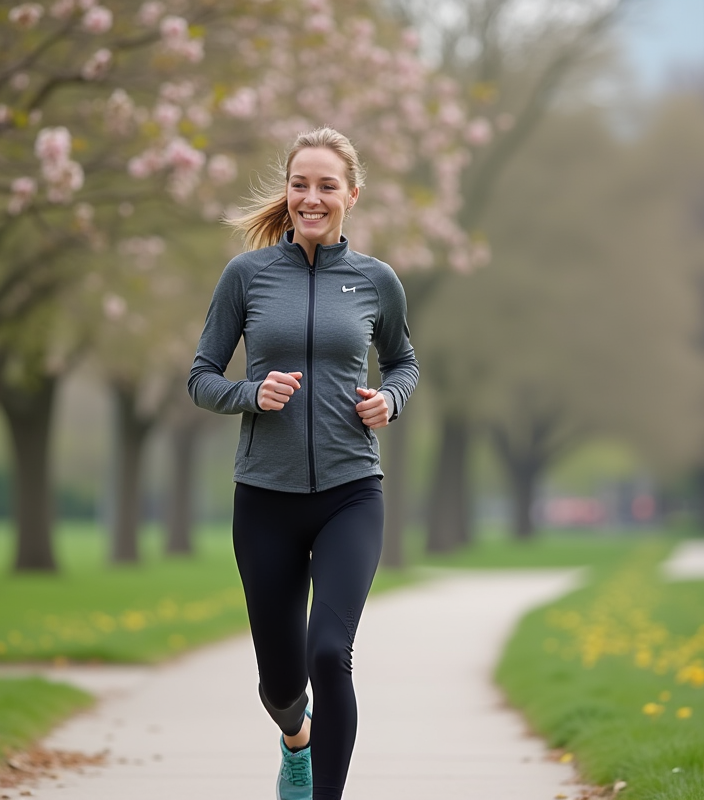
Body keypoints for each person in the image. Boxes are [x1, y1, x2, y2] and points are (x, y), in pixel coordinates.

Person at [188, 127, 419, 800]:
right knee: (283, 683)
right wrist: (250, 395)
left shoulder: (378, 281)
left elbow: (404, 363)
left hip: (352, 492)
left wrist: (391, 401)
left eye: (325, 186)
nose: (311, 198)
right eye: (300, 185)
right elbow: (201, 376)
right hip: (265, 499)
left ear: (352, 194)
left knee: (329, 653)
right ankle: (297, 739)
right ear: (287, 194)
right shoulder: (247, 276)